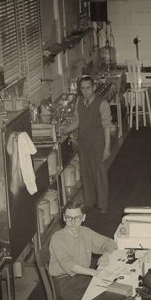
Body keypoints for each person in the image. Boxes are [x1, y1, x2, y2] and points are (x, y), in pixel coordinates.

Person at [48, 200, 118, 300]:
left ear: (83, 217)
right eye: (69, 218)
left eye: (77, 218)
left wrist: (106, 254)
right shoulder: (57, 238)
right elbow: (69, 264)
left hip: (84, 277)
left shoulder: (85, 232)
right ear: (64, 217)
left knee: (115, 292)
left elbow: (109, 242)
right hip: (65, 283)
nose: (73, 222)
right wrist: (94, 273)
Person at [61, 76, 115, 213]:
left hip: (98, 143)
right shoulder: (79, 101)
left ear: (94, 87)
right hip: (83, 142)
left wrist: (107, 148)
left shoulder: (102, 104)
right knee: (86, 173)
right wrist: (62, 131)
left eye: (88, 88)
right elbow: (77, 122)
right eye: (83, 88)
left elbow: (107, 126)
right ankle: (89, 202)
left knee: (99, 174)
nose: (85, 91)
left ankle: (103, 204)